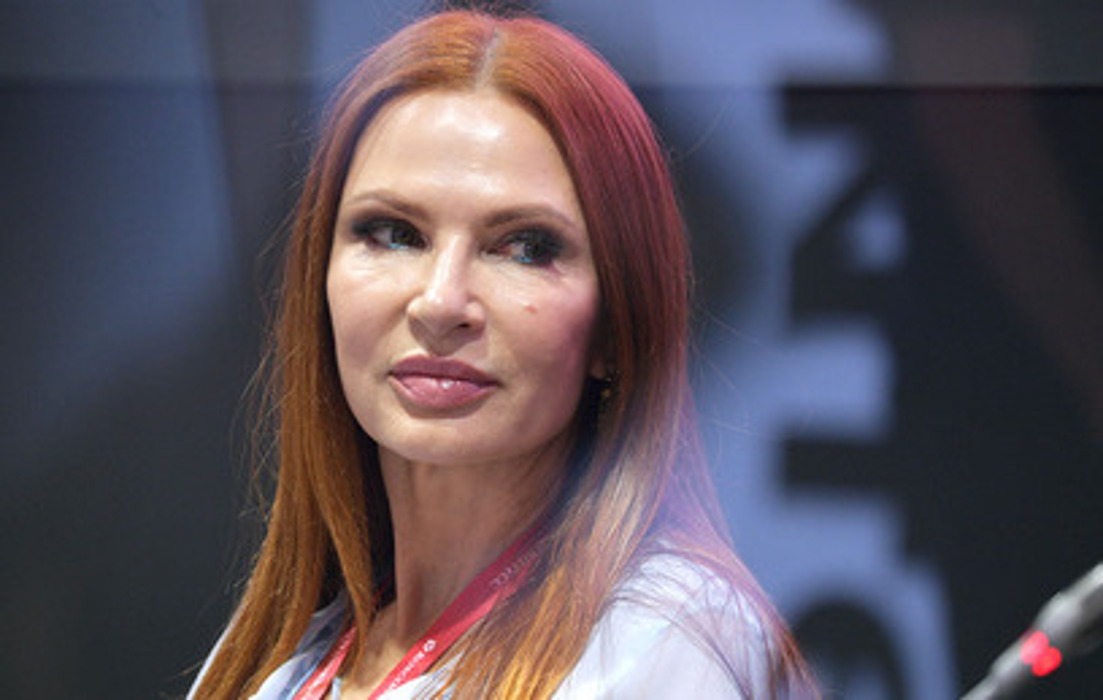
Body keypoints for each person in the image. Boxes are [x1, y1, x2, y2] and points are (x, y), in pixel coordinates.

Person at [189, 8, 818, 699]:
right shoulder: (275, 659)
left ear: (616, 325)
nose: (439, 302)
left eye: (524, 247)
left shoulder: (661, 643)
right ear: (320, 279)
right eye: (393, 234)